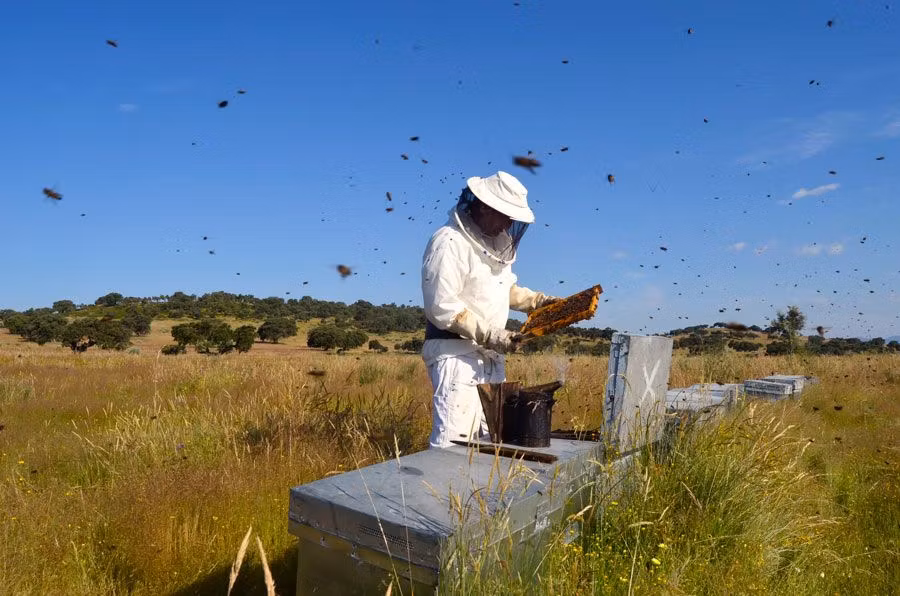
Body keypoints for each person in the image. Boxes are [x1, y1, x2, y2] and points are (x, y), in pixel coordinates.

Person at [421, 171, 560, 448]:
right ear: (485, 207)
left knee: (495, 438)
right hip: (456, 356)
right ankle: (443, 492)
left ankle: (479, 493)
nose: (509, 223)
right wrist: (493, 335)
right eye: (505, 215)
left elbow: (501, 290)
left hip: (490, 357)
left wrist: (537, 301)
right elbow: (442, 306)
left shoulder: (495, 246)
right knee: (455, 442)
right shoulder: (449, 242)